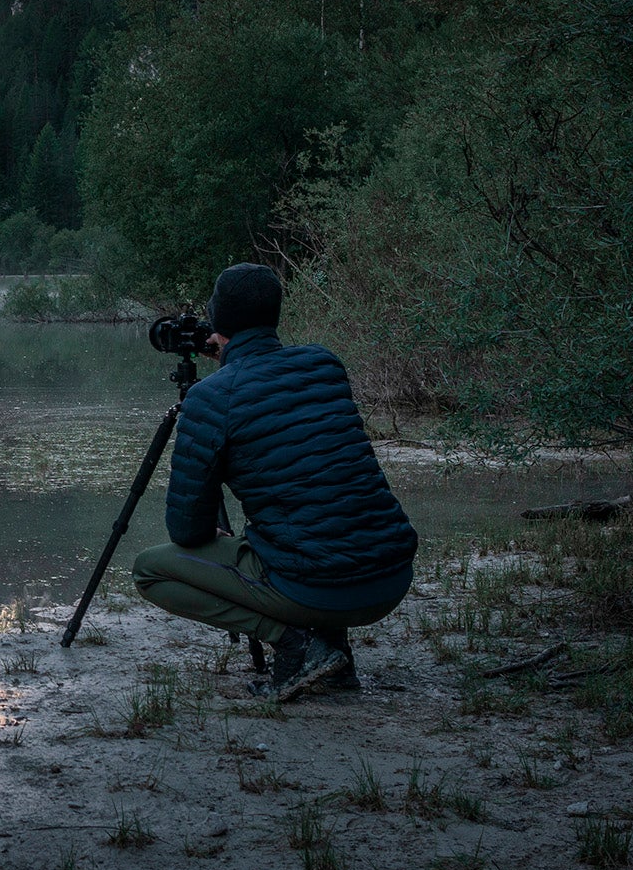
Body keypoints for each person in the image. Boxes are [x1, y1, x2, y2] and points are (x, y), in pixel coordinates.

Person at [129, 263, 417, 700]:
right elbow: (283, 414)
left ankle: (298, 646)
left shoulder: (211, 398)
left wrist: (225, 374)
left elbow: (186, 530)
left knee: (150, 569)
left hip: (316, 587)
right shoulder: (323, 365)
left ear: (216, 319)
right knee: (314, 516)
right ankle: (335, 654)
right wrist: (235, 359)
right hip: (390, 578)